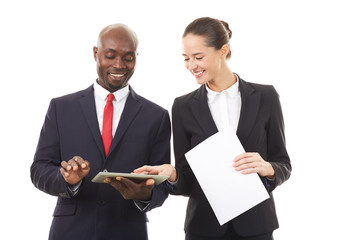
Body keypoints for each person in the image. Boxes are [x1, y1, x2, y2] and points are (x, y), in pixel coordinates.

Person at [135, 17, 291, 240]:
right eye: (186, 58)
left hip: (256, 227)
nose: (191, 65)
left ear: (223, 50)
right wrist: (172, 175)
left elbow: (283, 163)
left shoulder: (265, 97)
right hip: (204, 229)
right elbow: (187, 182)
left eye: (198, 57)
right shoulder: (183, 107)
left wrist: (268, 168)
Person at [30, 23, 171, 240]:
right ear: (96, 53)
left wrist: (145, 194)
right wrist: (67, 179)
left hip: (127, 232)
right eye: (110, 55)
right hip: (71, 232)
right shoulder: (61, 108)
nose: (119, 65)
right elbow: (39, 169)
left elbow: (162, 184)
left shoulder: (157, 116)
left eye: (128, 57)